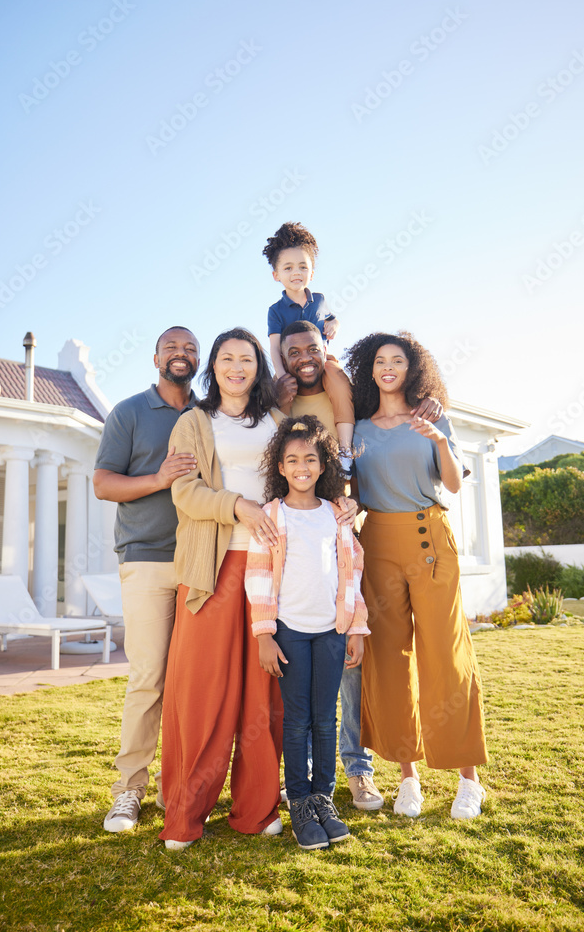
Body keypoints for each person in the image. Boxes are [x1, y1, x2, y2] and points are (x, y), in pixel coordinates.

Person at [158, 328, 356, 849]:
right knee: (204, 693)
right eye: (227, 358)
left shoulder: (275, 420)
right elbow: (185, 493)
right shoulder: (194, 422)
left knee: (265, 695)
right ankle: (185, 815)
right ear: (214, 367)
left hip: (277, 573)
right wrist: (238, 507)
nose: (237, 367)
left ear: (258, 367)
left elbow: (305, 474)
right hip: (214, 568)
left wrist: (345, 504)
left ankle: (256, 806)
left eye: (246, 359)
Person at [275, 319, 443, 812]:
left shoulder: (348, 392)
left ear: (325, 348)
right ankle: (300, 777)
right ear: (281, 356)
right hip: (290, 528)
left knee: (348, 662)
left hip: (341, 525)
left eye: (312, 347)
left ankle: (357, 769)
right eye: (293, 351)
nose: (303, 357)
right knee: (297, 670)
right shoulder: (277, 395)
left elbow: (390, 426)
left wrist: (433, 402)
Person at [345, 331, 488, 821]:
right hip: (378, 541)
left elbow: (451, 483)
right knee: (388, 659)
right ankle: (409, 778)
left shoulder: (432, 417)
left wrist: (441, 441)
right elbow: (360, 493)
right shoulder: (359, 430)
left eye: (397, 361)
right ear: (370, 369)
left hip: (430, 537)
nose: (388, 367)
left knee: (445, 655)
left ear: (412, 368)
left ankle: (469, 779)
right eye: (380, 361)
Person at [245, 416, 370, 849]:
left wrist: (357, 628)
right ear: (280, 467)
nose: (301, 466)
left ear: (322, 466)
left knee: (326, 718)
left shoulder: (336, 516)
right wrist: (264, 634)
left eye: (310, 459)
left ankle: (323, 798)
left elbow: (351, 575)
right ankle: (299, 801)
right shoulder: (271, 516)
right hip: (291, 633)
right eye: (292, 459)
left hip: (331, 632)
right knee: (297, 722)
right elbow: (257, 576)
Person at [93, 326, 200, 832]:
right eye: (172, 347)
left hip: (205, 564)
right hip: (148, 561)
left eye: (190, 349)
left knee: (191, 683)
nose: (182, 355)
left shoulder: (208, 413)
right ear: (155, 356)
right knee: (148, 679)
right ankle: (129, 790)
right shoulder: (130, 412)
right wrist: (158, 478)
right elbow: (102, 483)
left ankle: (176, 787)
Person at [263, 222, 355, 456]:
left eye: (303, 267)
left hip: (321, 361)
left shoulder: (320, 300)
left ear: (312, 272)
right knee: (275, 398)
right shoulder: (275, 310)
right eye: (288, 268)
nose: (296, 273)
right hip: (289, 364)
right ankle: (281, 453)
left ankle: (345, 450)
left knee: (340, 382)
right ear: (276, 275)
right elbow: (275, 348)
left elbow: (333, 318)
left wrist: (335, 324)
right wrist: (282, 375)